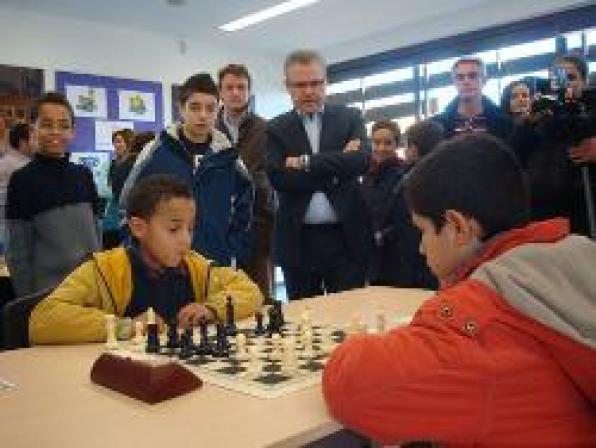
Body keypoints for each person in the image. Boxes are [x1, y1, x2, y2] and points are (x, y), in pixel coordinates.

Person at [323, 134, 596, 446]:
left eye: (423, 230)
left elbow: (353, 387)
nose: (423, 248)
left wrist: (357, 342)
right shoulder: (574, 259)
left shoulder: (478, 326)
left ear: (458, 227)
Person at [29, 175, 263, 344]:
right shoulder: (105, 270)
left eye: (190, 229)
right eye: (173, 230)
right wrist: (125, 327)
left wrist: (211, 309)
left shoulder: (195, 266)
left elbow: (251, 292)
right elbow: (43, 320)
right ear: (139, 228)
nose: (186, 241)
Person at [266, 49, 372, 300]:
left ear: (326, 82)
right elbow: (278, 178)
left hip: (346, 239)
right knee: (305, 326)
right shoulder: (275, 128)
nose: (309, 91)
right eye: (300, 85)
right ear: (288, 87)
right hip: (298, 242)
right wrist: (338, 167)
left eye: (316, 83)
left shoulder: (350, 118)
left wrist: (305, 163)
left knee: (350, 318)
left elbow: (361, 162)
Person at [121, 73, 254, 268]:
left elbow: (245, 212)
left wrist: (232, 252)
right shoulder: (155, 152)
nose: (203, 115)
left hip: (214, 265)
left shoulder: (229, 158)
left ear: (218, 110)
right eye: (194, 107)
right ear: (181, 109)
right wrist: (138, 256)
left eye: (210, 108)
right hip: (161, 266)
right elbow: (128, 207)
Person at [6, 92, 101, 297]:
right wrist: (28, 301)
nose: (55, 132)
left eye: (64, 125)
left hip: (90, 289)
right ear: (33, 129)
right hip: (49, 295)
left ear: (73, 131)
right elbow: (17, 251)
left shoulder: (83, 175)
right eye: (47, 124)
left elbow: (96, 231)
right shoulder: (22, 180)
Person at [511, 54, 596, 236]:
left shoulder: (591, 110)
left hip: (586, 210)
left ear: (584, 81)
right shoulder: (542, 113)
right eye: (559, 79)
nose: (566, 84)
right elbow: (515, 155)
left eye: (571, 78)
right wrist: (528, 122)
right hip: (545, 215)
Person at [216, 64, 273, 300]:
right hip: (217, 223)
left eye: (241, 87)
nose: (236, 93)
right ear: (220, 92)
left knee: (258, 294)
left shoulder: (266, 129)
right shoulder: (209, 128)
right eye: (229, 87)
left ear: (249, 91)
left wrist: (247, 182)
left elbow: (273, 173)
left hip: (257, 221)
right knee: (221, 294)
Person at [360, 120, 403, 285]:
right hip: (372, 257)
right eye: (377, 143)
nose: (381, 148)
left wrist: (381, 235)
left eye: (388, 143)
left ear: (397, 144)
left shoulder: (404, 175)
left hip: (396, 256)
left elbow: (405, 221)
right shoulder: (367, 177)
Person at [432, 57, 512, 140]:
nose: (466, 81)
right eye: (460, 77)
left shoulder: (505, 123)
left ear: (484, 80)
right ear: (454, 82)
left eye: (472, 76)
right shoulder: (437, 125)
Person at [0, 122, 33, 254]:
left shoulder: (3, 162)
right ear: (23, 143)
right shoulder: (26, 169)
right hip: (15, 237)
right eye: (34, 138)